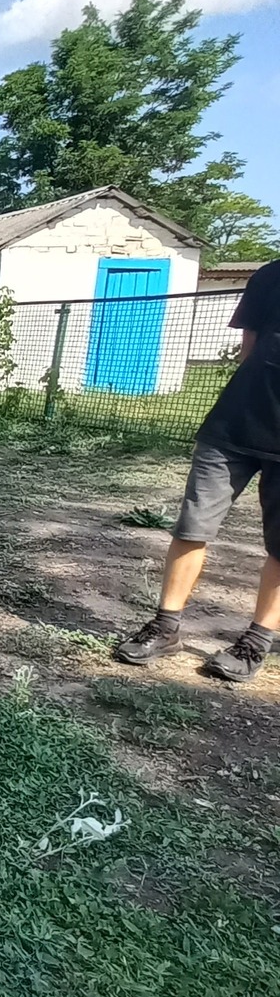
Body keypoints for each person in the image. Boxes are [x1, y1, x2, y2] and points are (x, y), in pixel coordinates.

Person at [116, 256, 280, 683]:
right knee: (192, 526)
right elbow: (249, 350)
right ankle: (166, 627)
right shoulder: (270, 276)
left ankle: (256, 641)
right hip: (233, 427)